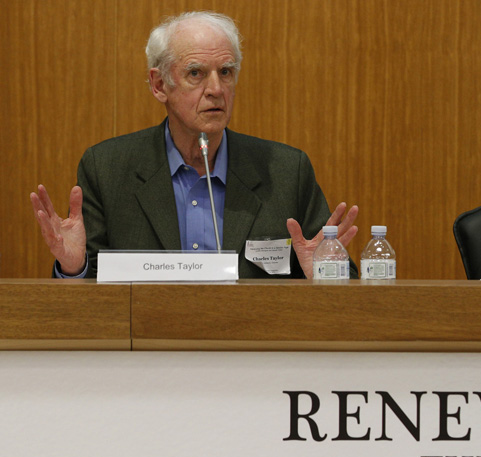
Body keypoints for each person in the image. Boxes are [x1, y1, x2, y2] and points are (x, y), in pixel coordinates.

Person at [30, 11, 358, 279]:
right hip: (146, 353)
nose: (216, 88)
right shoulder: (108, 168)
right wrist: (75, 268)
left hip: (254, 354)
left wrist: (326, 274)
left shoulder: (285, 171)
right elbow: (91, 298)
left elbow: (341, 281)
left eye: (226, 72)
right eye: (196, 73)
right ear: (159, 85)